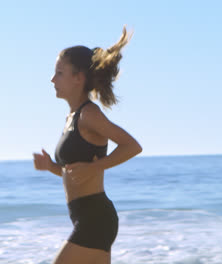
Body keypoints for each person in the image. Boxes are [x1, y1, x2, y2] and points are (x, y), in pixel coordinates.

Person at [33, 27, 142, 264]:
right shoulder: (71, 118)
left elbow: (132, 146)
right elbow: (74, 172)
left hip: (95, 218)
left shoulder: (88, 115)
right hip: (88, 216)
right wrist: (50, 166)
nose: (53, 79)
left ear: (78, 78)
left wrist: (97, 167)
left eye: (59, 73)